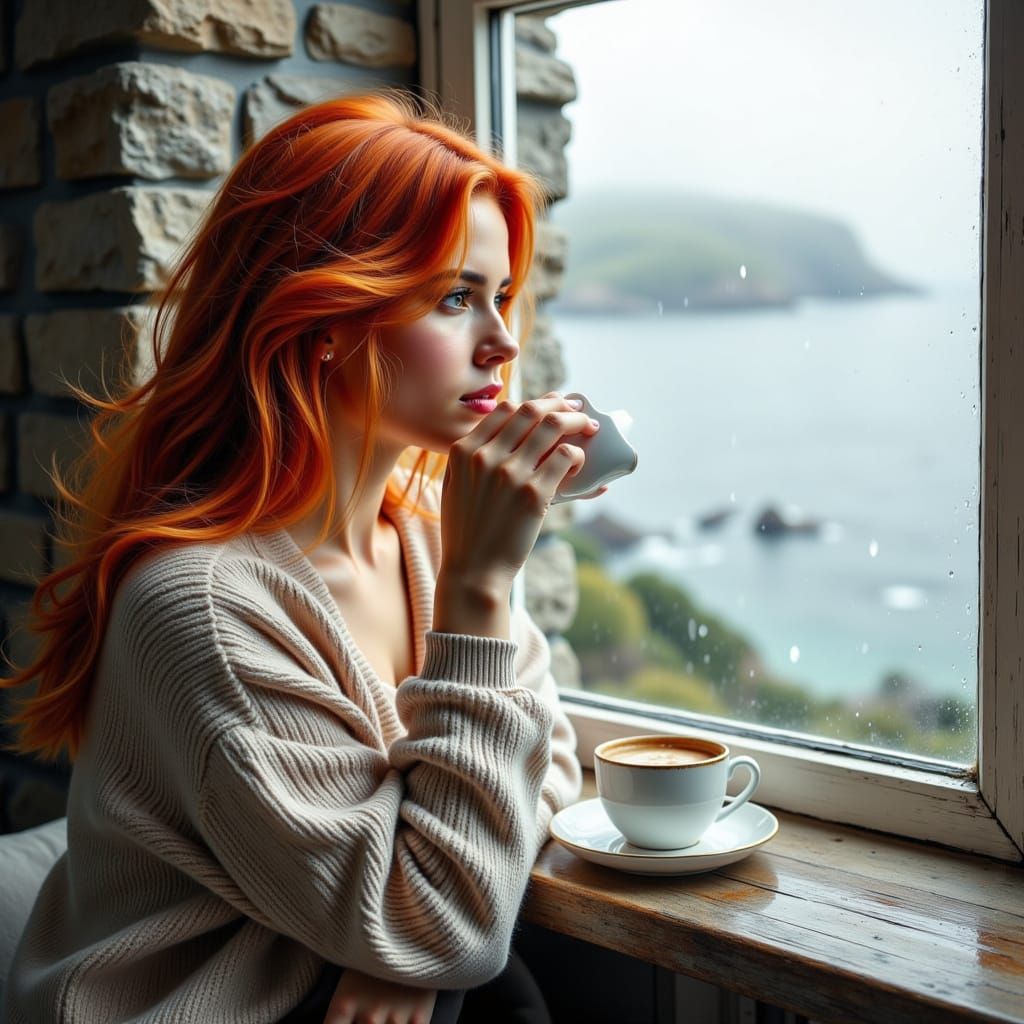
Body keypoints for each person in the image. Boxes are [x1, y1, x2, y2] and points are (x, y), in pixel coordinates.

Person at [0, 89, 604, 1023]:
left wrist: (402, 948)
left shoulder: (431, 536)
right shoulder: (202, 608)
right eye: (455, 298)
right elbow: (454, 918)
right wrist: (483, 586)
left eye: (501, 296)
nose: (503, 341)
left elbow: (544, 762)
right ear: (324, 320)